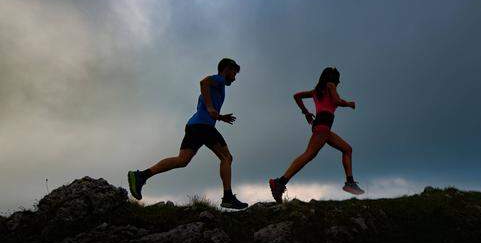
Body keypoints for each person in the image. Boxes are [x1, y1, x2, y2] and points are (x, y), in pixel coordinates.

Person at [128, 58, 248, 210]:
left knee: (182, 160)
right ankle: (228, 197)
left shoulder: (217, 87)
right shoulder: (218, 79)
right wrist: (211, 108)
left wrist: (219, 116)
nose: (235, 78)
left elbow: (205, 106)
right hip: (203, 127)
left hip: (194, 126)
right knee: (227, 157)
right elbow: (203, 82)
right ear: (226, 69)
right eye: (234, 73)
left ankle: (141, 176)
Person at [269, 67, 365, 202]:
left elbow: (297, 96)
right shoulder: (330, 85)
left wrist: (306, 113)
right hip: (323, 125)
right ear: (333, 78)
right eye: (338, 78)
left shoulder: (316, 91)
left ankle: (350, 183)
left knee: (347, 149)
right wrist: (349, 104)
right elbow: (337, 101)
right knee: (308, 154)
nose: (339, 82)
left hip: (322, 126)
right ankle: (280, 182)